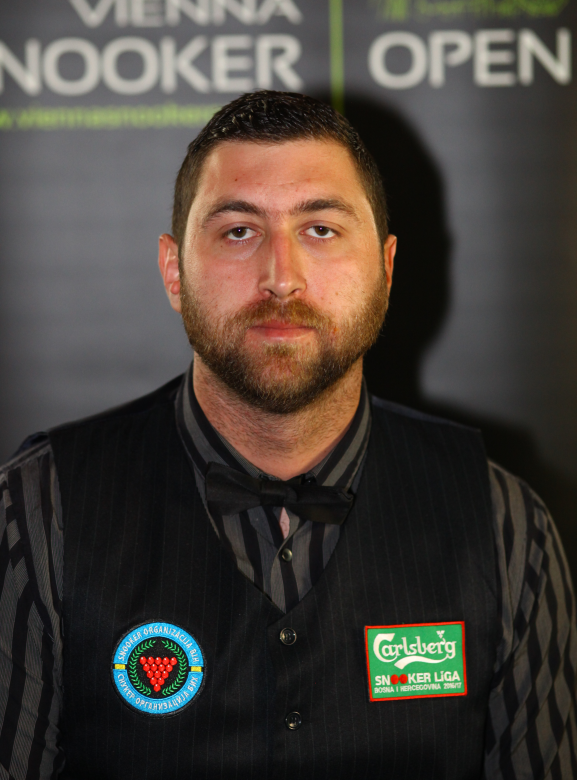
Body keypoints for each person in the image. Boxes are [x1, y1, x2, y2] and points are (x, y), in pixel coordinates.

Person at [0, 90, 575, 780]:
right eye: (239, 231)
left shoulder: (505, 525)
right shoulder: (38, 513)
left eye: (321, 230)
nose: (281, 278)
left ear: (386, 268)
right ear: (174, 272)